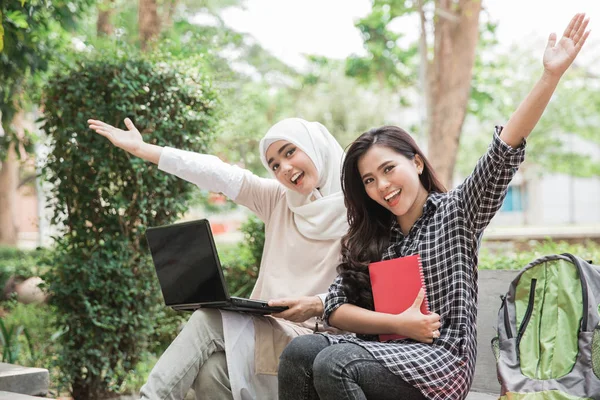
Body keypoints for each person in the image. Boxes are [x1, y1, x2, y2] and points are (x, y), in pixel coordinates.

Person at [278, 13, 590, 400]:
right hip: (384, 353)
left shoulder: (457, 213)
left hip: (441, 363)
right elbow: (335, 308)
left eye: (388, 169)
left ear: (417, 162)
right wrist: (400, 324)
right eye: (370, 181)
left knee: (333, 362)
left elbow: (504, 150)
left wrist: (550, 76)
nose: (383, 186)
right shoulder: (374, 237)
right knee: (300, 351)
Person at [87, 117, 348, 400]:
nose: (284, 168)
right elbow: (217, 173)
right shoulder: (277, 200)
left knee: (209, 319)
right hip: (269, 329)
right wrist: (143, 150)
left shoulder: (361, 212)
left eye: (289, 152)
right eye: (274, 164)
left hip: (319, 341)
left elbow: (365, 291)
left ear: (316, 146)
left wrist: (317, 303)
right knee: (212, 371)